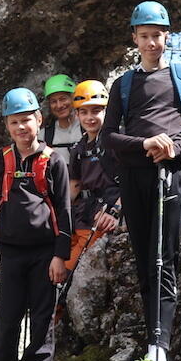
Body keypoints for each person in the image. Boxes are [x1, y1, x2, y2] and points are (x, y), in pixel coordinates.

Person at [100, 2, 181, 361]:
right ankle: (153, 339)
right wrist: (145, 144)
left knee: (165, 258)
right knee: (145, 258)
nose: (151, 43)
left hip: (170, 175)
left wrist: (174, 149)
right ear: (135, 39)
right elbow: (108, 136)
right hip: (134, 177)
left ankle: (160, 345)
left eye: (157, 35)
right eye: (144, 36)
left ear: (168, 36)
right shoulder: (123, 85)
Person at [0, 87, 72, 361]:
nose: (21, 127)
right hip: (10, 253)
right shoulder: (0, 159)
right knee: (6, 324)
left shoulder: (54, 161)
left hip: (44, 254)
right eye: (14, 122)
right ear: (7, 125)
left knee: (41, 324)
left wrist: (60, 256)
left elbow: (64, 211)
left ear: (39, 119)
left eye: (26, 120)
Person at [66, 80, 121, 273]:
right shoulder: (78, 149)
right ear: (77, 114)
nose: (90, 117)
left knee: (67, 269)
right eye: (84, 112)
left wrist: (116, 211)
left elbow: (132, 182)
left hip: (103, 217)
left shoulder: (116, 143)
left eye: (96, 111)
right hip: (82, 217)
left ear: (107, 111)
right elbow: (73, 189)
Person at [39, 74, 82, 167]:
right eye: (53, 101)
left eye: (63, 99)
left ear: (73, 98)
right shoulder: (44, 136)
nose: (59, 105)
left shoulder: (88, 127)